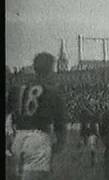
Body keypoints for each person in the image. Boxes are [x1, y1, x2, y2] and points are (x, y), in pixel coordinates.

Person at [8, 52, 66, 180]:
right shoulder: (53, 91)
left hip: (18, 138)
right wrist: (60, 143)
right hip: (38, 138)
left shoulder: (17, 89)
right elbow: (60, 124)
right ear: (51, 69)